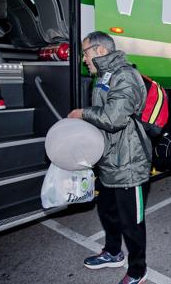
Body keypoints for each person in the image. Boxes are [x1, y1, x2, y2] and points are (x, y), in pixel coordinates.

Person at [68, 31, 151, 284]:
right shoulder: (103, 76)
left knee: (131, 222)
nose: (83, 59)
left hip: (129, 163)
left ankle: (138, 270)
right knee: (107, 212)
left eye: (86, 52)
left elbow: (113, 118)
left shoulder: (125, 75)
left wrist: (83, 113)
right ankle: (114, 253)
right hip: (108, 160)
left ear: (100, 51)